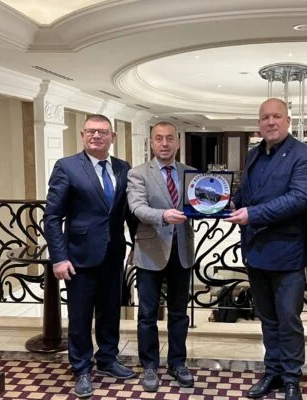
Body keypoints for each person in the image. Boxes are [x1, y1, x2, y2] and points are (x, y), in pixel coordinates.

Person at [226, 98, 307, 400]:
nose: (270, 122)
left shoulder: (305, 155)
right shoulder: (253, 154)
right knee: (267, 319)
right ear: (258, 123)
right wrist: (229, 203)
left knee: (288, 320)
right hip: (255, 251)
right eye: (265, 117)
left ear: (288, 121)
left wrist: (252, 214)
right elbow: (246, 193)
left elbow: (299, 198)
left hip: (287, 253)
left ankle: (292, 377)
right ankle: (273, 372)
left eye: (277, 116)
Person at [43, 114, 136, 398]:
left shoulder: (123, 167)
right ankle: (82, 368)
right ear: (83, 135)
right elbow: (52, 217)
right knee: (80, 316)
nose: (97, 136)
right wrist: (59, 258)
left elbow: (128, 212)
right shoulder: (67, 166)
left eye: (103, 132)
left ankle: (107, 359)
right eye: (92, 131)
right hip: (78, 257)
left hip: (113, 254)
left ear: (112, 137)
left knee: (110, 312)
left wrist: (136, 245)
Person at [127, 121, 195, 392]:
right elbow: (137, 208)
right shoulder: (138, 173)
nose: (164, 143)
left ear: (177, 142)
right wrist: (163, 215)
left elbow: (202, 203)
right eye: (159, 138)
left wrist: (221, 205)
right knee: (147, 314)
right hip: (150, 251)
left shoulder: (190, 173)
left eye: (169, 138)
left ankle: (178, 363)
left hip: (182, 252)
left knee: (179, 313)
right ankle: (150, 365)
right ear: (152, 143)